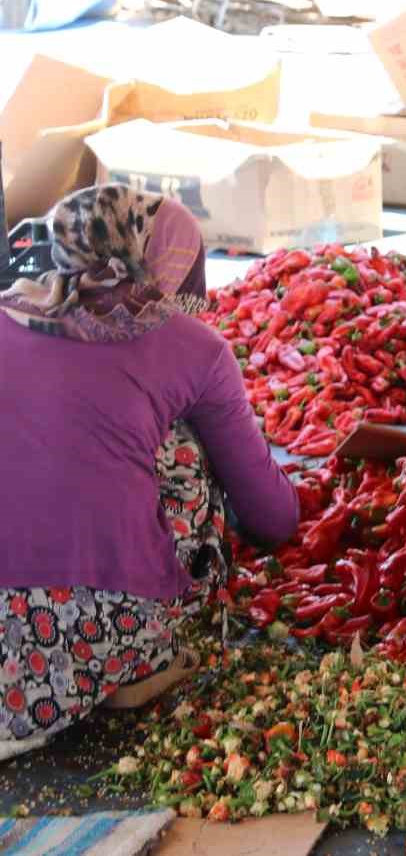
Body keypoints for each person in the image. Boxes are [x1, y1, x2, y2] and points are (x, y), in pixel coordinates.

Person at [0, 186, 297, 758]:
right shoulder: (194, 347)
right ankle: (132, 659)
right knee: (181, 446)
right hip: (95, 639)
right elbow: (273, 517)